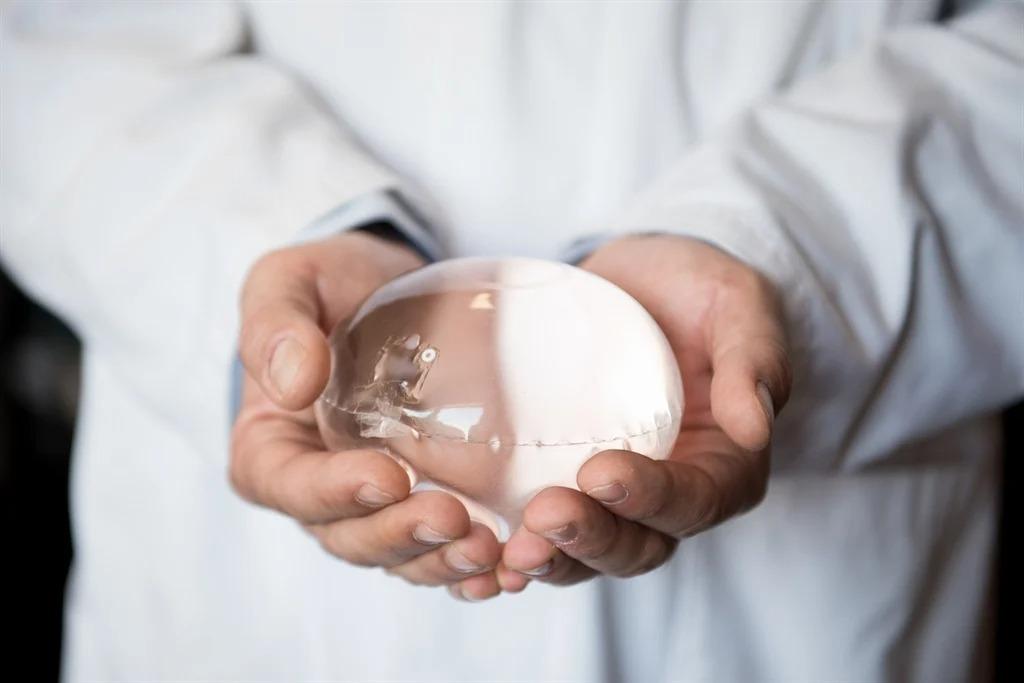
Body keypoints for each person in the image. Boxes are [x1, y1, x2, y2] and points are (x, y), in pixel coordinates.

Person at [2, 1, 1021, 680]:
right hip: (250, 605)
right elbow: (51, 50)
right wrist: (266, 255)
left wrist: (798, 253)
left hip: (793, 602)